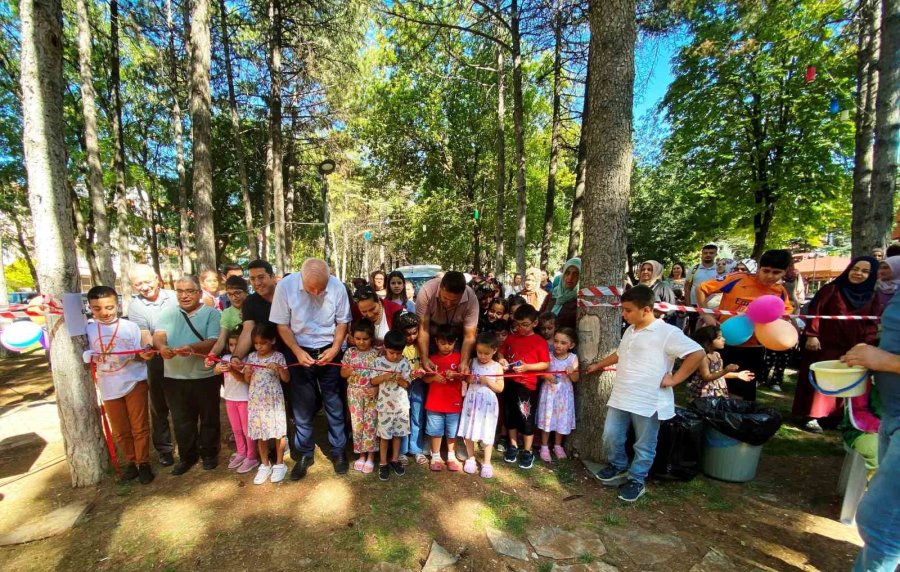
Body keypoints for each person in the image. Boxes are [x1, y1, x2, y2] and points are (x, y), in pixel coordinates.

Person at [586, 285, 704, 502]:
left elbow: (697, 353)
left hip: (648, 400)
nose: (624, 314)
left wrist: (675, 379)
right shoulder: (630, 330)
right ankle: (618, 465)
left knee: (644, 444)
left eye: (628, 310)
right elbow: (620, 354)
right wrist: (598, 365)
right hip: (622, 395)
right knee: (611, 434)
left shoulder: (668, 333)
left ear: (647, 310)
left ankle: (637, 479)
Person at [270, 258, 352, 480]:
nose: (316, 293)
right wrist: (296, 351)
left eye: (321, 289)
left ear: (329, 279)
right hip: (298, 349)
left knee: (334, 401)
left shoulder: (337, 287)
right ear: (301, 278)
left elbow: (342, 322)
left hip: (329, 349)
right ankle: (305, 453)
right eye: (310, 289)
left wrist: (335, 349)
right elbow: (282, 325)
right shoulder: (285, 287)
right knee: (302, 405)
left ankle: (338, 450)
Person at [793, 257, 881, 433]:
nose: (858, 273)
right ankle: (812, 416)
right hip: (824, 344)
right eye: (855, 269)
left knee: (843, 380)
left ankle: (834, 416)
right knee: (821, 378)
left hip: (852, 347)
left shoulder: (873, 296)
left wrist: (866, 344)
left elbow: (872, 323)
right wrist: (812, 335)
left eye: (865, 271)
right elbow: (815, 311)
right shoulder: (832, 289)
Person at [697, 249, 794, 402]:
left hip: (754, 347)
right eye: (766, 271)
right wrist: (706, 314)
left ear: (785, 272)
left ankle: (740, 413)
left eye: (776, 272)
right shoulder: (736, 279)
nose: (770, 276)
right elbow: (701, 288)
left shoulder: (780, 292)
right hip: (725, 342)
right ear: (758, 268)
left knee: (746, 389)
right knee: (718, 385)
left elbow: (784, 315)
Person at [83, 286, 156, 484]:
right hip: (108, 385)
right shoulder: (88, 329)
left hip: (134, 381)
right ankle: (132, 461)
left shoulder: (129, 327)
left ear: (117, 305)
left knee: (139, 426)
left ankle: (143, 463)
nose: (104, 313)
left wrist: (136, 355)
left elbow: (142, 355)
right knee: (120, 430)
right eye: (97, 308)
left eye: (109, 307)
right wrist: (90, 356)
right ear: (90, 307)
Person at [840, 337, 900, 570]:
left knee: (882, 522)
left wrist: (887, 361)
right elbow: (857, 413)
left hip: (886, 426)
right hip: (885, 423)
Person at [153, 275, 222, 475]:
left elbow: (214, 341)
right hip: (174, 377)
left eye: (189, 291)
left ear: (199, 293)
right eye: (180, 291)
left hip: (205, 376)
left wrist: (191, 348)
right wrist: (162, 347)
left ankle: (209, 454)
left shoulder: (212, 314)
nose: (184, 296)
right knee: (181, 420)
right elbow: (158, 335)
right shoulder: (167, 313)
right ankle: (187, 457)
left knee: (209, 417)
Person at [126, 264, 177, 467]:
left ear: (157, 278)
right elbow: (144, 333)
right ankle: (164, 449)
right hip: (157, 359)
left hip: (182, 355)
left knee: (185, 404)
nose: (145, 287)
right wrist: (150, 347)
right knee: (158, 406)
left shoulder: (174, 297)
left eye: (147, 281)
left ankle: (191, 443)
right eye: (138, 284)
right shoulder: (135, 306)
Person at [498, 304, 550, 470]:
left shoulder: (539, 341)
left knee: (526, 417)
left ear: (535, 323)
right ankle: (513, 445)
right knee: (510, 415)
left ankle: (527, 450)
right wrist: (502, 359)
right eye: (517, 324)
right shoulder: (511, 338)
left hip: (527, 386)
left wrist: (528, 367)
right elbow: (501, 351)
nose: (520, 328)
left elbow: (545, 363)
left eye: (525, 325)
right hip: (509, 382)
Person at [242, 323, 290, 485]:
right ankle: (264, 464)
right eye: (256, 343)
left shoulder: (278, 357)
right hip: (256, 401)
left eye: (263, 343)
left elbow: (286, 379)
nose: (259, 346)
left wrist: (279, 369)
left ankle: (279, 464)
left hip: (273, 400)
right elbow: (247, 380)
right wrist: (248, 373)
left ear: (273, 340)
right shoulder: (251, 357)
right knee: (260, 432)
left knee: (278, 431)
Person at [457, 331, 505, 478]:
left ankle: (487, 462)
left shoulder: (497, 367)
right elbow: (466, 379)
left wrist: (488, 381)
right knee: (469, 428)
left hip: (488, 406)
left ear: (494, 350)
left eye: (486, 353)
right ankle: (471, 457)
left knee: (487, 431)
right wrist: (469, 379)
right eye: (479, 352)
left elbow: (500, 388)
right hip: (472, 402)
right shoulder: (472, 362)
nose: (482, 356)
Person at [416, 271, 480, 377]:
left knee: (457, 370)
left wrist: (464, 362)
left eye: (454, 301)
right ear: (440, 287)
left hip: (455, 338)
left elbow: (469, 336)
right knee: (429, 372)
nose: (448, 303)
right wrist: (424, 358)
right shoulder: (427, 291)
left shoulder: (471, 299)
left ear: (462, 293)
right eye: (445, 298)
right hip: (432, 335)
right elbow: (423, 329)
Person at [214, 330, 259, 474]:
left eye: (237, 344)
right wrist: (218, 368)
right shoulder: (225, 358)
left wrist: (232, 370)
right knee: (236, 429)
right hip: (230, 398)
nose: (234, 348)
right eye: (231, 344)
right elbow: (216, 371)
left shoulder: (249, 359)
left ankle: (252, 456)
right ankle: (241, 452)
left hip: (244, 399)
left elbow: (244, 379)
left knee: (247, 430)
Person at [371, 330, 412, 481]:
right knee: (384, 436)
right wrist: (385, 376)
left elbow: (407, 384)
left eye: (398, 353)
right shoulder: (378, 362)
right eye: (391, 352)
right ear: (385, 348)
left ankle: (394, 459)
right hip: (385, 407)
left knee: (398, 435)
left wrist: (399, 379)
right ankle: (383, 463)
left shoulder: (404, 363)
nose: (395, 356)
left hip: (401, 407)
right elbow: (373, 381)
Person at [423, 324, 464, 472]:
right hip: (435, 403)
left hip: (454, 402)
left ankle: (451, 456)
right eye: (442, 343)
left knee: (452, 431)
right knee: (436, 431)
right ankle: (435, 456)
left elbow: (465, 377)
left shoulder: (460, 358)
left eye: (450, 343)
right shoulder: (431, 359)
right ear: (436, 341)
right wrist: (434, 377)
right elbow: (424, 379)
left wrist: (456, 375)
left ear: (455, 342)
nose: (446, 346)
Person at [340, 319, 380, 475]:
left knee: (371, 424)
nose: (361, 342)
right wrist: (348, 371)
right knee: (357, 424)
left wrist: (376, 388)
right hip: (354, 394)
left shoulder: (377, 354)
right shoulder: (349, 353)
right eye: (357, 338)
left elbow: (382, 376)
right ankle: (361, 455)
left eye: (365, 339)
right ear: (352, 337)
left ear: (372, 338)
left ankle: (370, 456)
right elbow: (342, 373)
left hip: (371, 395)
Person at [536, 327, 579, 462]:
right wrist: (546, 376)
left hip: (564, 395)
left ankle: (557, 445)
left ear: (571, 345)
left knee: (561, 418)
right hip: (549, 393)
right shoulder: (548, 356)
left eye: (563, 343)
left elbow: (576, 379)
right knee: (547, 417)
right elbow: (540, 373)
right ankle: (544, 446)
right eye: (556, 341)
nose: (558, 345)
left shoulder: (573, 358)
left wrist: (572, 371)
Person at [393, 311, 429, 465]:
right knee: (402, 416)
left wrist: (422, 370)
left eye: (415, 333)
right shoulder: (398, 348)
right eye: (407, 334)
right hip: (401, 386)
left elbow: (426, 364)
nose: (412, 337)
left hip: (418, 384)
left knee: (417, 416)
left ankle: (416, 449)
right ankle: (402, 451)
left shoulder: (421, 346)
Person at [687, 326, 755, 401]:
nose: (723, 339)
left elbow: (719, 374)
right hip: (705, 393)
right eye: (719, 338)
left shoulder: (717, 355)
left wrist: (737, 375)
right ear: (708, 342)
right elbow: (707, 377)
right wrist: (726, 370)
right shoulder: (704, 357)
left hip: (717, 391)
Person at [207, 275, 248, 360]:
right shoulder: (227, 313)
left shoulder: (255, 306)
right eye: (230, 294)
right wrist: (211, 355)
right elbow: (221, 340)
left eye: (237, 293)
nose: (234, 297)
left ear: (246, 291)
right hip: (237, 357)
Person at [540, 258, 580, 330]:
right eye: (567, 273)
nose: (570, 277)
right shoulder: (553, 294)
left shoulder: (580, 299)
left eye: (575, 274)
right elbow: (541, 315)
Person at [685, 244, 719, 308]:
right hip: (694, 305)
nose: (708, 255)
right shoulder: (693, 269)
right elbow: (687, 287)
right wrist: (688, 304)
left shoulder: (720, 269)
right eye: (705, 253)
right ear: (702, 254)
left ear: (715, 254)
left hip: (714, 306)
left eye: (711, 253)